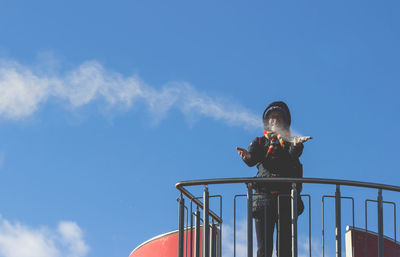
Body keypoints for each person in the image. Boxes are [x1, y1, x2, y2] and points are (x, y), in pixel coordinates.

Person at [236, 101, 311, 257]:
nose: (274, 120)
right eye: (271, 118)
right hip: (263, 200)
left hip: (286, 200)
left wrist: (296, 145)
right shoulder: (260, 142)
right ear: (267, 122)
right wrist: (248, 156)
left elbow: (293, 153)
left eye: (278, 117)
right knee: (263, 249)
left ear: (284, 121)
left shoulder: (290, 142)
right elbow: (252, 159)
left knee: (285, 249)